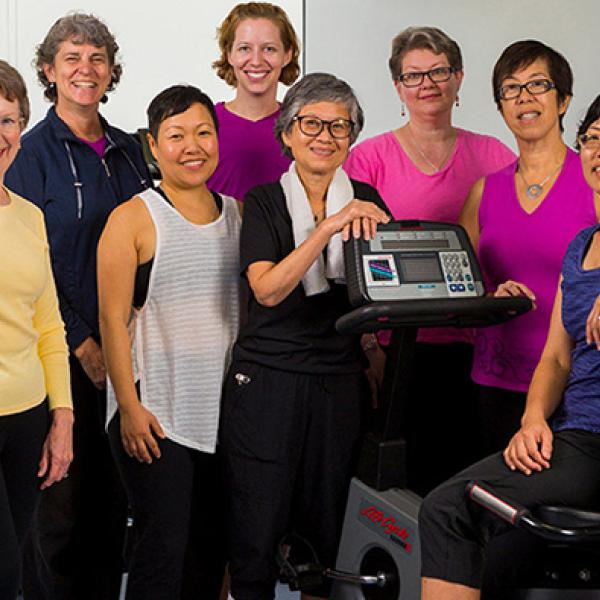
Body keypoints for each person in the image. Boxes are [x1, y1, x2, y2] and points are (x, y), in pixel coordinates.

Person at [419, 92, 600, 600]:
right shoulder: (581, 248)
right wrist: (533, 420)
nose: (599, 151)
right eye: (593, 139)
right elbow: (557, 357)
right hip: (577, 435)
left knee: (452, 511)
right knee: (476, 537)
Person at [220, 72, 390, 600]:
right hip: (268, 381)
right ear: (288, 133)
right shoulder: (266, 201)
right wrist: (328, 227)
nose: (325, 135)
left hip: (338, 383)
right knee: (256, 529)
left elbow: (381, 291)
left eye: (340, 126)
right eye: (311, 123)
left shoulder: (367, 197)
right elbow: (268, 290)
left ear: (352, 137)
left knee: (330, 530)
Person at [5, 13, 151, 600]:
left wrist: (125, 338)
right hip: (64, 358)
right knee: (56, 512)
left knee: (114, 505)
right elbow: (37, 270)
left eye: (96, 58)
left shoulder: (132, 152)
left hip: (127, 355)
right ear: (48, 69)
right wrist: (83, 340)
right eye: (71, 57)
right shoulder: (28, 152)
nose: (85, 70)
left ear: (111, 70)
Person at [343, 26, 515, 495]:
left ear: (458, 78)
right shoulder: (367, 160)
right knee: (402, 480)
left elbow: (515, 244)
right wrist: (369, 350)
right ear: (397, 87)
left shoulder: (494, 156)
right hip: (396, 350)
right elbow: (349, 266)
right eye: (414, 75)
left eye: (439, 71)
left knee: (468, 476)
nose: (427, 84)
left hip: (477, 348)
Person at [98, 84, 239, 600]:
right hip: (155, 412)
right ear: (153, 147)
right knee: (162, 552)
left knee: (211, 551)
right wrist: (129, 407)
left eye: (204, 132)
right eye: (176, 136)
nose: (192, 146)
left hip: (221, 416)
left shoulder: (239, 216)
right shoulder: (133, 218)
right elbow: (112, 320)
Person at [459, 40, 599, 456]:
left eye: (538, 84)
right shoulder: (485, 190)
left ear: (564, 99)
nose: (524, 98)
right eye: (510, 88)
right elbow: (459, 281)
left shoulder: (593, 172)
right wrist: (488, 296)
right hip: (493, 377)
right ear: (500, 106)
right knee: (489, 508)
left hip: (574, 390)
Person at [0, 59, 73, 600]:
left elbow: (49, 325)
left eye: (6, 120)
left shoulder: (28, 216)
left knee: (19, 564)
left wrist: (62, 416)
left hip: (25, 415)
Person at [209, 1, 300, 201]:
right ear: (228, 54)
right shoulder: (206, 126)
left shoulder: (302, 129)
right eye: (244, 49)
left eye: (269, 49)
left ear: (287, 54)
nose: (256, 61)